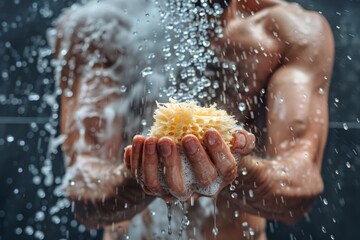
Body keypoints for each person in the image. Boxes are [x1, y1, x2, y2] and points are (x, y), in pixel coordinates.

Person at [51, 0, 334, 239]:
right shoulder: (99, 31)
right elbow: (84, 192)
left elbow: (300, 186)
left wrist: (238, 171)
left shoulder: (288, 31)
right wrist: (139, 176)